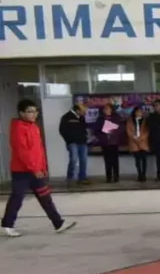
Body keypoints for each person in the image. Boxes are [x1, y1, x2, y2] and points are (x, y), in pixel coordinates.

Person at [2, 99, 77, 237]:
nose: (33, 114)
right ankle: (7, 225)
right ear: (21, 113)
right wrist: (34, 169)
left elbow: (39, 150)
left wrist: (42, 167)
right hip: (22, 172)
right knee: (17, 198)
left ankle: (58, 223)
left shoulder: (34, 127)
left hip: (36, 171)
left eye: (35, 111)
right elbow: (22, 152)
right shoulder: (18, 128)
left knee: (45, 197)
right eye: (29, 111)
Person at [58, 102, 90, 185]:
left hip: (82, 142)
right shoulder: (66, 117)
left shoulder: (81, 118)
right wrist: (69, 140)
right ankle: (70, 177)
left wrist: (86, 137)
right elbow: (62, 130)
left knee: (84, 160)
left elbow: (84, 129)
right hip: (72, 143)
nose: (84, 113)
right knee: (74, 159)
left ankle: (82, 178)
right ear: (77, 110)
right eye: (83, 111)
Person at [93, 102, 123, 183]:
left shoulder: (116, 117)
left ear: (111, 109)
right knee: (107, 161)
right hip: (105, 142)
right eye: (105, 109)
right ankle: (109, 177)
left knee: (115, 160)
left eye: (108, 108)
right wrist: (103, 132)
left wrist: (113, 131)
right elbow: (96, 131)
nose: (106, 110)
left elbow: (121, 128)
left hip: (114, 142)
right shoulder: (100, 119)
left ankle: (116, 177)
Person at [127, 106, 150, 182]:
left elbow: (147, 131)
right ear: (135, 112)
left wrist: (140, 138)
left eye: (141, 111)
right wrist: (134, 138)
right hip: (134, 142)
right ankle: (139, 174)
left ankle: (144, 174)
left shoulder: (145, 121)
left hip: (143, 142)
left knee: (144, 159)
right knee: (137, 160)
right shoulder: (130, 121)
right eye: (138, 111)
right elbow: (128, 131)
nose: (139, 113)